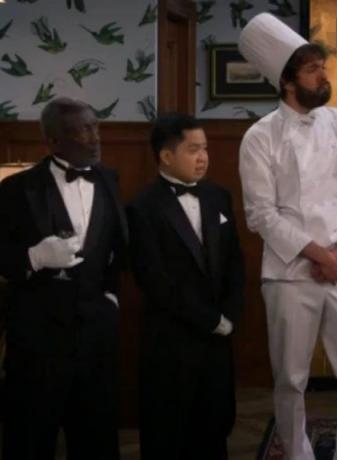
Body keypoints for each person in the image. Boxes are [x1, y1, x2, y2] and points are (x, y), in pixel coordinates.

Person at [237, 13, 337, 460]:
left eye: (322, 68)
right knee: (291, 380)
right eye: (312, 70)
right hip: (289, 273)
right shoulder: (259, 137)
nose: (323, 77)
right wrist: (319, 254)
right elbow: (261, 214)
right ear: (287, 82)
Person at [0, 97, 127, 459]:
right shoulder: (20, 188)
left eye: (96, 126)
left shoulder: (108, 180)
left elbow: (118, 244)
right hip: (38, 336)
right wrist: (34, 257)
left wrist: (110, 296)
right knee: (31, 437)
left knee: (96, 438)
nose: (95, 137)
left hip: (95, 333)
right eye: (84, 130)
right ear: (53, 140)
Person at [127, 113, 245, 460]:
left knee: (215, 425)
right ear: (166, 156)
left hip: (218, 339)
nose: (203, 157)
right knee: (168, 431)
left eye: (205, 148)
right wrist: (209, 319)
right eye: (193, 150)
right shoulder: (142, 207)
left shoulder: (218, 196)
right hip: (171, 339)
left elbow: (234, 261)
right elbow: (154, 279)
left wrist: (230, 315)